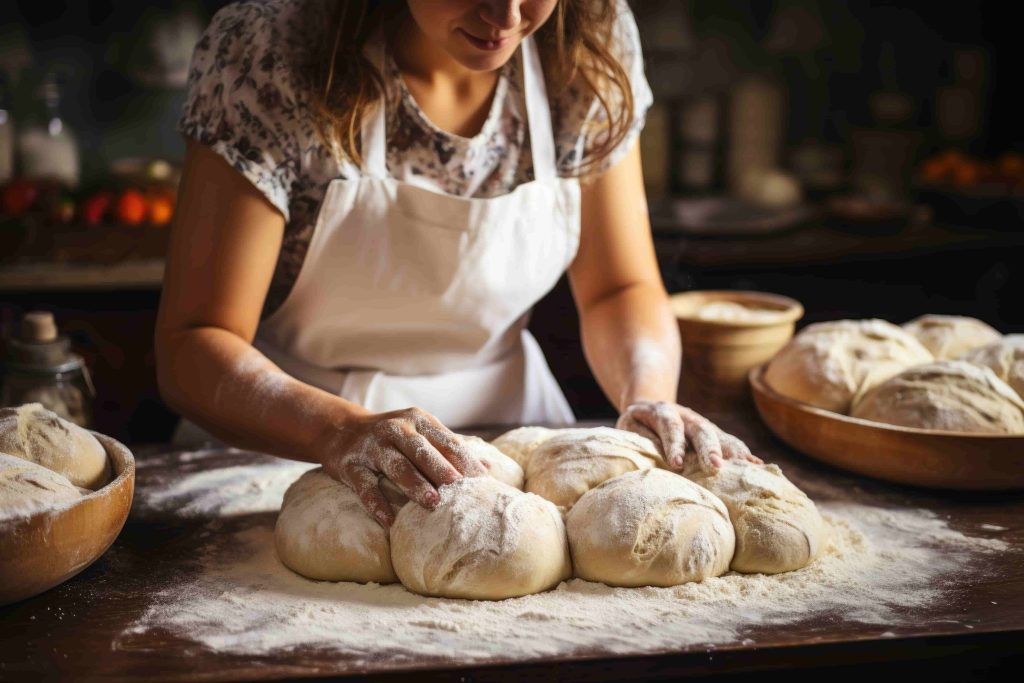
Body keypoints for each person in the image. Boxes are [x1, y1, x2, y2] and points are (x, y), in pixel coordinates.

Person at [155, 0, 759, 528]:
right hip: (288, 447)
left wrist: (647, 394)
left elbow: (618, 286)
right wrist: (338, 432)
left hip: (516, 449)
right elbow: (193, 343)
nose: (506, 16)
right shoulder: (273, 50)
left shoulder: (587, 34)